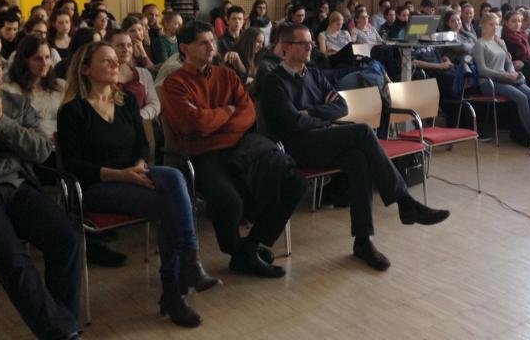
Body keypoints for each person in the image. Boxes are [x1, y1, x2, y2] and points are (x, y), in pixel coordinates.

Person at [260, 24, 450, 271]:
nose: (310, 47)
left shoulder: (314, 74)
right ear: (285, 48)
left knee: (359, 160)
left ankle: (363, 241)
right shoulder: (274, 82)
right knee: (362, 131)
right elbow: (294, 122)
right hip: (296, 147)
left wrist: (313, 112)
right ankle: (404, 202)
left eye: (311, 43)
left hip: (321, 138)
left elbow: (341, 106)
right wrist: (320, 116)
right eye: (303, 43)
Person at [58, 42, 219, 328]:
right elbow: (73, 166)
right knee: (169, 203)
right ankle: (176, 285)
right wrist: (121, 175)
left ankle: (184, 275)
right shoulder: (73, 111)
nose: (115, 64)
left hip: (135, 173)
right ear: (85, 70)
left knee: (174, 177)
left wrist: (140, 166)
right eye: (106, 61)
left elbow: (143, 146)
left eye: (115, 60)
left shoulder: (126, 101)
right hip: (97, 186)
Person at [162, 21, 304, 278]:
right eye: (203, 43)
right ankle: (238, 252)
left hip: (241, 148)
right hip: (202, 154)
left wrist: (214, 119)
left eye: (212, 42)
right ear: (184, 47)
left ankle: (249, 247)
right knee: (230, 201)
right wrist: (227, 111)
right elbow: (192, 124)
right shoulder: (175, 83)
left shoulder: (226, 75)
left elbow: (248, 115)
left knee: (294, 182)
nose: (211, 47)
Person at [0, 44, 82, 340]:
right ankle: (63, 333)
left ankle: (62, 327)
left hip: (16, 186)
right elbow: (25, 149)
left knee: (66, 239)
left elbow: (41, 151)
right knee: (14, 261)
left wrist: (0, 122)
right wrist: (15, 147)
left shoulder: (14, 103)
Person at [473, 13, 530, 141]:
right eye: (491, 24)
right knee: (522, 98)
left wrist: (512, 72)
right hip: (489, 82)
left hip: (505, 78)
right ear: (483, 26)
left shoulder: (500, 41)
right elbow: (482, 70)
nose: (494, 27)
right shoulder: (480, 44)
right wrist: (505, 75)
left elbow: (508, 62)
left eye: (497, 24)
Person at [5, 35, 65, 141]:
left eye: (47, 57)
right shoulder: (11, 91)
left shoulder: (60, 86)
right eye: (38, 59)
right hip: (31, 147)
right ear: (24, 61)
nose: (44, 63)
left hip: (62, 145)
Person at [107, 29, 160, 121]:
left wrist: (136, 118)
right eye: (120, 45)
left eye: (129, 45)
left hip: (141, 124)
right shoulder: (103, 76)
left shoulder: (144, 73)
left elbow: (155, 105)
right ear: (108, 48)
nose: (126, 49)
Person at [501, 9, 530, 93]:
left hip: (526, 66)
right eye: (513, 21)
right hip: (513, 71)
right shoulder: (504, 40)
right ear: (506, 23)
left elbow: (527, 58)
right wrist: (524, 63)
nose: (517, 24)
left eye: (519, 21)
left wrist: (526, 62)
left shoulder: (523, 36)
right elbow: (511, 61)